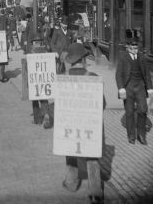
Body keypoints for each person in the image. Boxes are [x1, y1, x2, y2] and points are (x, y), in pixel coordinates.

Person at [60, 42, 104, 203]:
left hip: (70, 124)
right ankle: (95, 192)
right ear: (84, 59)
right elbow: (103, 104)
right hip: (89, 126)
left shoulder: (63, 80)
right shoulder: (93, 78)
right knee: (92, 158)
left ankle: (71, 183)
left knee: (71, 153)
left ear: (70, 61)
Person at [116, 36, 153, 145]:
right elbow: (118, 74)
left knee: (143, 110)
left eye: (136, 47)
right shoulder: (123, 57)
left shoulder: (142, 57)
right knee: (130, 112)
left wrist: (150, 88)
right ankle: (131, 135)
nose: (134, 49)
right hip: (128, 87)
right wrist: (121, 88)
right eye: (132, 47)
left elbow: (147, 74)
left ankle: (141, 135)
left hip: (140, 86)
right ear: (128, 47)